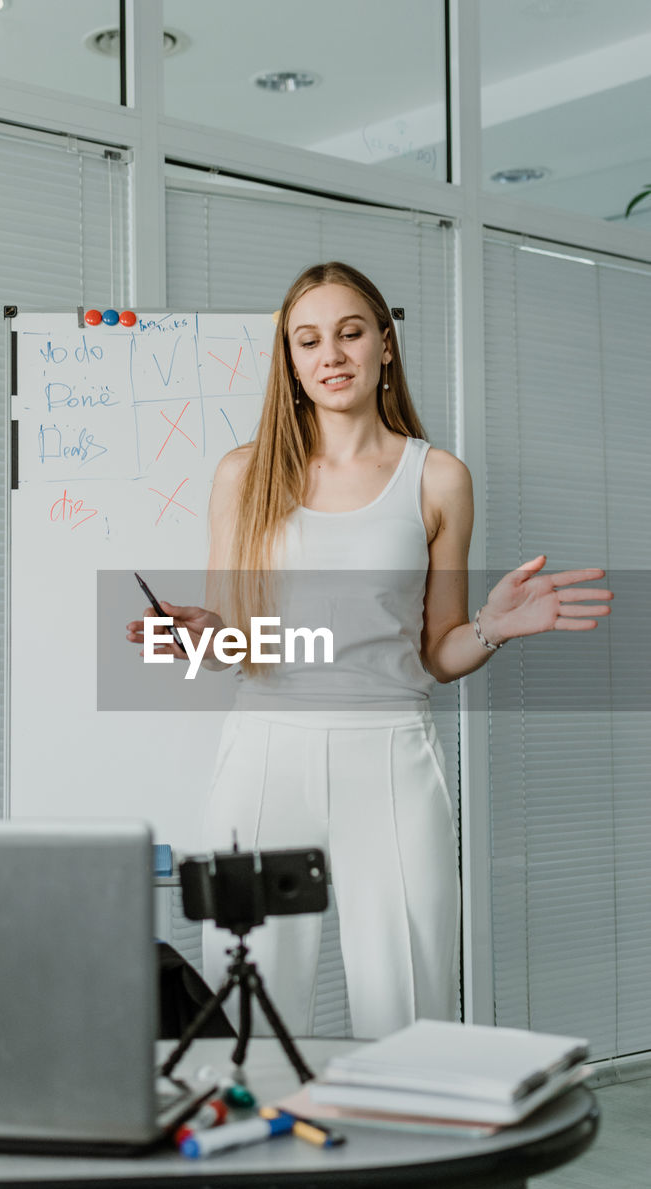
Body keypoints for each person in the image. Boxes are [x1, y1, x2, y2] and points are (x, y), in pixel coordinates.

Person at [127, 261, 612, 1040]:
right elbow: (232, 641)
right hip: (263, 754)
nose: (331, 355)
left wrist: (494, 626)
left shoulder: (438, 478)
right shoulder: (242, 474)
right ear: (288, 358)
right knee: (246, 1011)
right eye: (308, 340)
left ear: (384, 345)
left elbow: (437, 651)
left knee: (410, 1006)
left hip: (389, 753)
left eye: (350, 333)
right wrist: (192, 637)